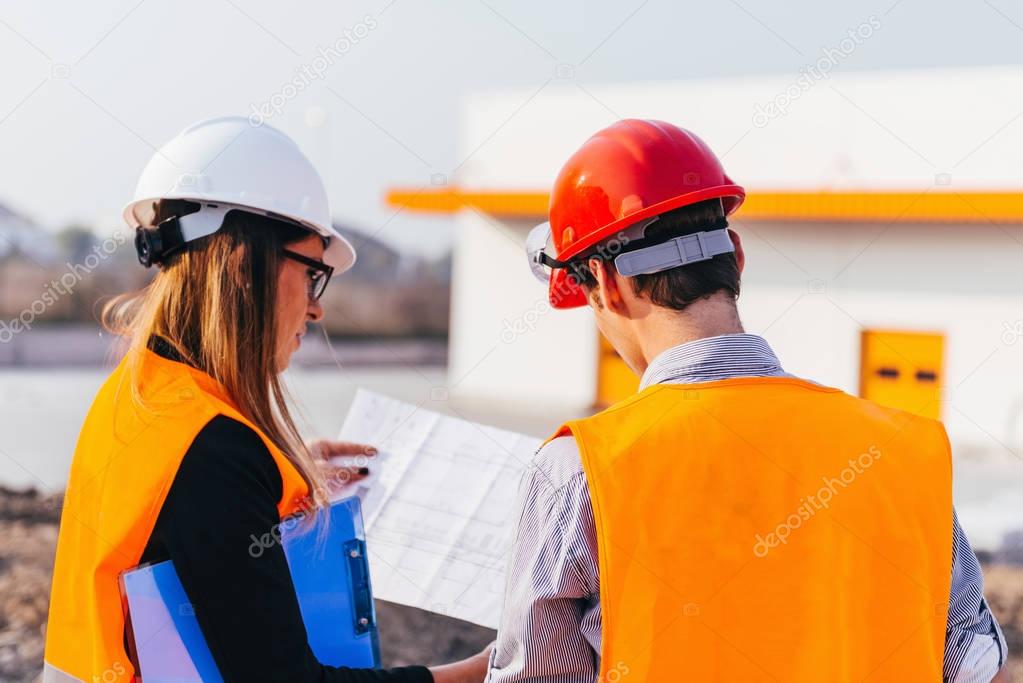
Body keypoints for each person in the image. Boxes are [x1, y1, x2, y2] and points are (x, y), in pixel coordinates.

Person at [487, 119, 1009, 681]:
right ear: (735, 255)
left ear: (606, 285)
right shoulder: (905, 450)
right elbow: (977, 666)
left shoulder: (578, 471)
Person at [44, 116, 490, 683]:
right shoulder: (214, 451)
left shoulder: (140, 395)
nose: (315, 307)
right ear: (240, 266)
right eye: (312, 274)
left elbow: (184, 525)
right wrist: (477, 674)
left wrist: (283, 475)